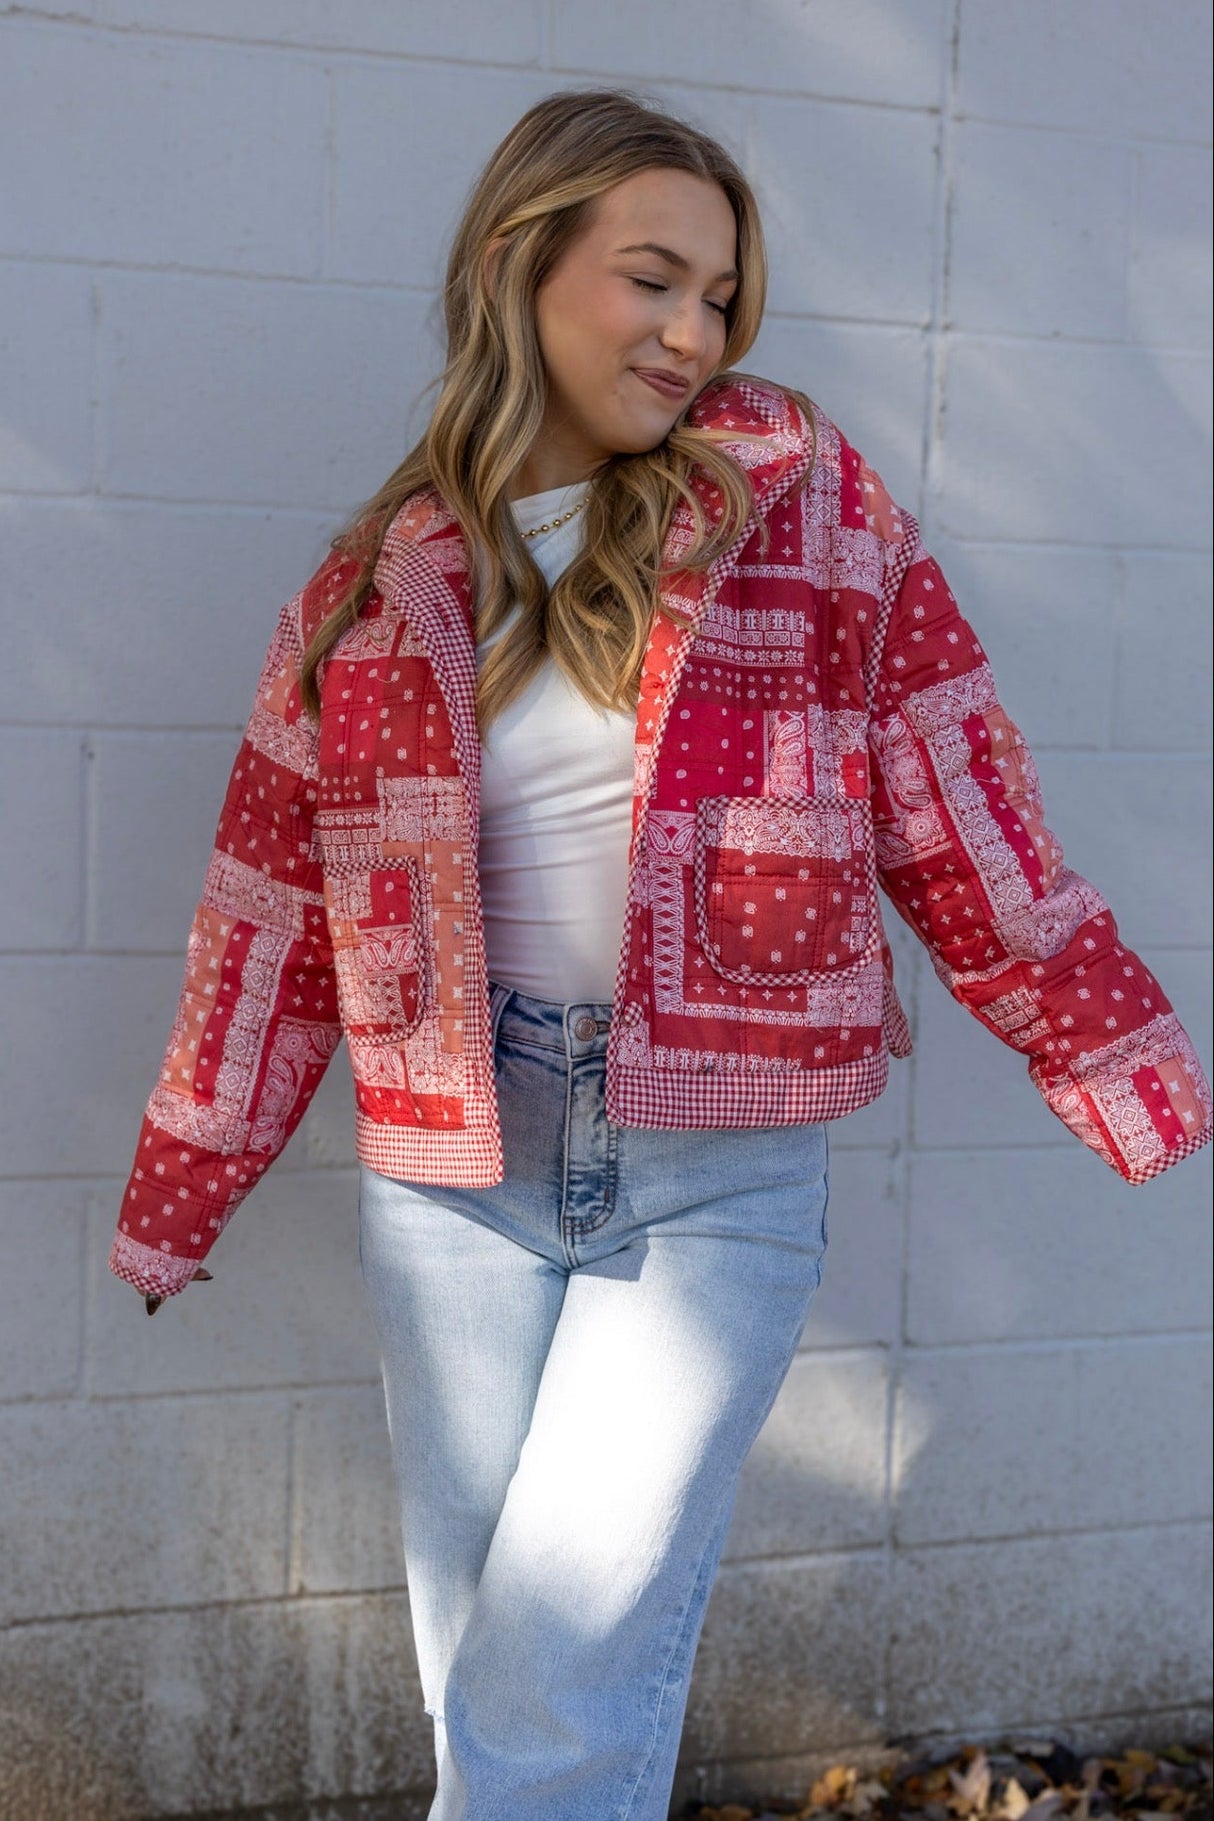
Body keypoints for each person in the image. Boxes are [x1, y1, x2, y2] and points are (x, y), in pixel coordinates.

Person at [107, 86, 1211, 1821]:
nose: (694, 331)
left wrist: (1106, 1056)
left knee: (558, 1673)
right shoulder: (376, 585)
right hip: (453, 1163)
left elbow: (952, 789)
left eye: (719, 297)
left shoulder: (805, 509)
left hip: (712, 1172)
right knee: (486, 1664)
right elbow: (270, 907)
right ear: (517, 265)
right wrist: (187, 1175)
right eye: (654, 279)